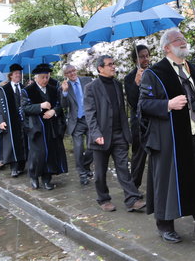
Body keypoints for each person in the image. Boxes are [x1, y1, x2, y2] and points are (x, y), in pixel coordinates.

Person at [139, 28, 195, 250]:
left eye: (184, 39)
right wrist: (167, 105)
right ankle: (166, 226)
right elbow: (143, 105)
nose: (184, 42)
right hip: (172, 141)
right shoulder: (155, 73)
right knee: (168, 184)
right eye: (178, 40)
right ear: (167, 47)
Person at [84, 55, 145, 213]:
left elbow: (123, 109)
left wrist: (126, 133)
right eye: (110, 64)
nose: (113, 67)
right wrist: (96, 133)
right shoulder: (91, 87)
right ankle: (103, 199)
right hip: (101, 136)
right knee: (100, 173)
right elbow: (89, 113)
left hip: (119, 135)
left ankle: (132, 199)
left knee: (123, 168)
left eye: (114, 63)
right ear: (100, 68)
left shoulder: (118, 84)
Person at [21, 64, 68, 190]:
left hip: (51, 126)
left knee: (51, 152)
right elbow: (24, 108)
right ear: (36, 78)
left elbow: (59, 105)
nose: (45, 80)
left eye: (47, 77)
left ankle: (47, 179)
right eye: (43, 77)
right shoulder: (27, 91)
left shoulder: (53, 89)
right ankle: (34, 176)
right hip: (36, 127)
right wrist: (40, 106)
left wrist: (54, 111)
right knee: (38, 154)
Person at [60, 64, 93, 186]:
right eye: (69, 72)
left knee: (92, 146)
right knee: (78, 149)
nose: (72, 73)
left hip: (89, 119)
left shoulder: (87, 81)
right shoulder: (65, 86)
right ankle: (82, 174)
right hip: (76, 121)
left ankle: (85, 165)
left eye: (73, 70)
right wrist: (64, 92)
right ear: (65, 75)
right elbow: (63, 106)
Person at [124, 45, 150, 189]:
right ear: (135, 59)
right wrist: (136, 83)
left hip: (155, 120)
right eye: (142, 56)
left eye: (147, 55)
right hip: (139, 122)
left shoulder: (154, 73)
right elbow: (132, 102)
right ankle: (134, 188)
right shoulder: (129, 78)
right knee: (139, 156)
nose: (145, 59)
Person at [0, 64, 27, 177]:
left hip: (23, 121)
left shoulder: (24, 88)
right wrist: (1, 121)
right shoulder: (4, 90)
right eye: (16, 74)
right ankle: (14, 168)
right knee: (12, 144)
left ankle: (22, 166)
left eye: (19, 73)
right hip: (10, 121)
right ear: (11, 76)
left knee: (23, 143)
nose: (18, 75)